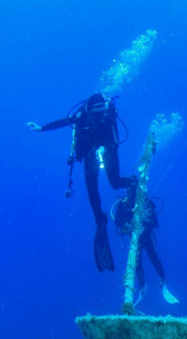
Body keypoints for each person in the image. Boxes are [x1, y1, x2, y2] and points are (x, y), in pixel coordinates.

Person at [27, 92, 137, 272]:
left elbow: (116, 136)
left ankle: (132, 182)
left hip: (108, 147)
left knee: (115, 182)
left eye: (102, 110)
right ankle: (100, 220)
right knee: (91, 189)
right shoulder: (81, 115)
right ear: (90, 109)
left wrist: (109, 148)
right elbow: (64, 122)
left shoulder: (109, 112)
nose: (100, 114)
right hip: (89, 151)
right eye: (97, 111)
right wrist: (41, 128)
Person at [110, 183, 179, 305]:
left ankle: (163, 282)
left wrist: (144, 223)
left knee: (154, 258)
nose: (130, 192)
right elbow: (118, 221)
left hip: (147, 235)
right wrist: (128, 226)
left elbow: (154, 220)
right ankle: (142, 288)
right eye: (128, 189)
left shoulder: (145, 201)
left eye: (132, 189)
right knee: (137, 263)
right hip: (135, 237)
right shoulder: (123, 204)